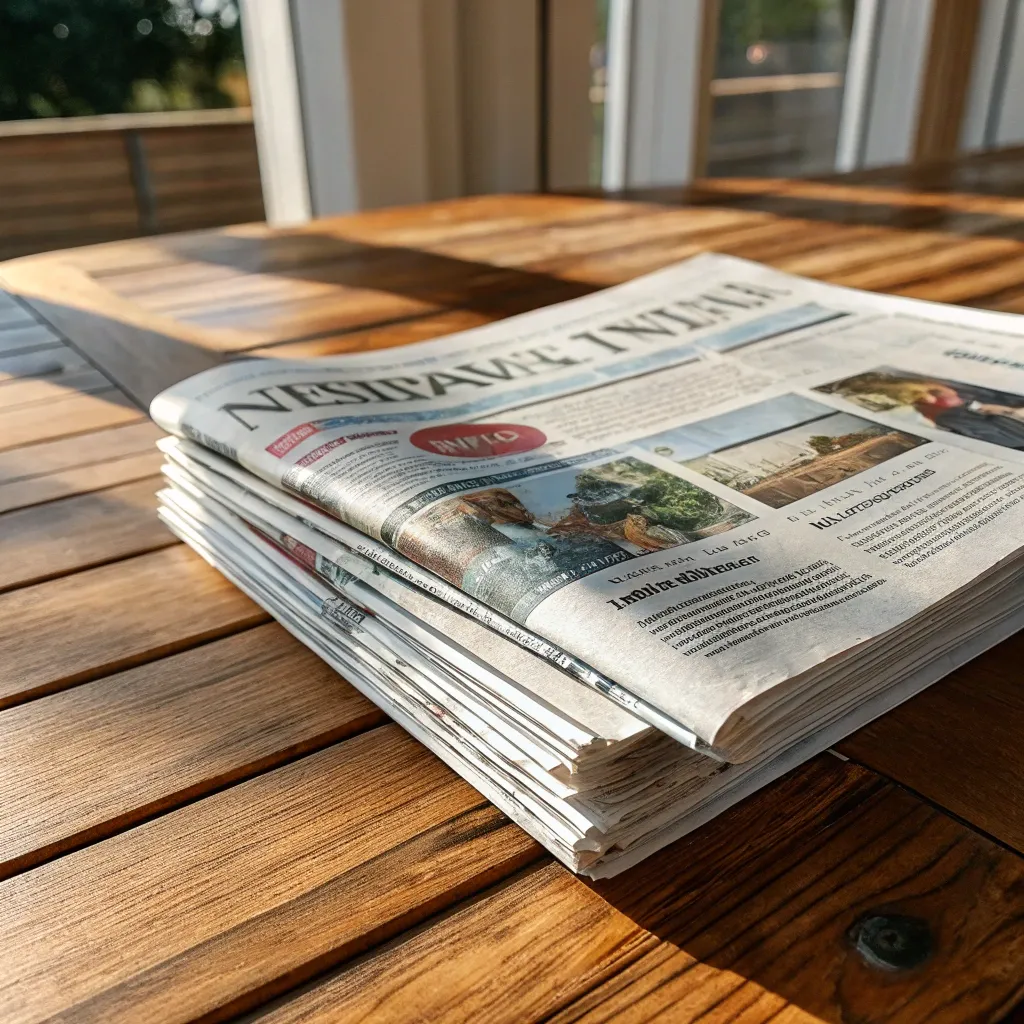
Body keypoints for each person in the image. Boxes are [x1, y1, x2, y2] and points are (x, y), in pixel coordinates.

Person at [837, 375, 1024, 450]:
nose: (930, 399)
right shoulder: (955, 415)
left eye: (935, 392)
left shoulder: (968, 402)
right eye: (927, 397)